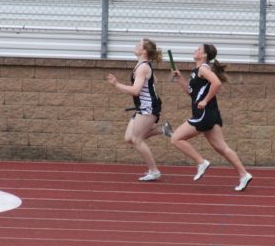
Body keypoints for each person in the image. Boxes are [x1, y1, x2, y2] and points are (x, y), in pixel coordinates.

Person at [170, 44, 253, 191]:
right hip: (210, 113)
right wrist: (180, 78)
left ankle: (201, 162)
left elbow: (217, 83)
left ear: (205, 55)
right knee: (222, 148)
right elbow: (191, 93)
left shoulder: (203, 69)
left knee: (176, 138)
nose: (195, 50)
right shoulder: (197, 71)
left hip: (204, 113)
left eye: (199, 49)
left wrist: (205, 100)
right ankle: (244, 174)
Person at [108, 39, 172, 182]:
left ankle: (154, 171)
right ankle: (162, 129)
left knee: (137, 140)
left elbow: (136, 91)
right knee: (129, 138)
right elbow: (154, 81)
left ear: (144, 51)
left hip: (148, 107)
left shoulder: (143, 67)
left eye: (139, 45)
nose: (135, 46)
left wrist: (116, 85)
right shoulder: (142, 65)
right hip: (143, 106)